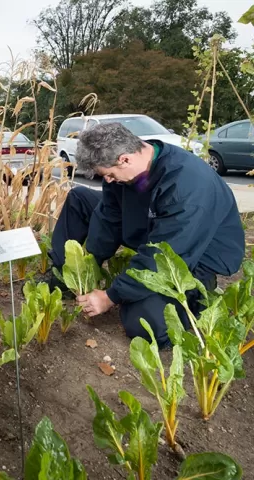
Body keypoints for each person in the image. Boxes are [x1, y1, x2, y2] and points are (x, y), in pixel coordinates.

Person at [47, 122, 244, 348]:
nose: (108, 180)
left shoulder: (187, 185)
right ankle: (61, 278)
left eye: (109, 175)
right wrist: (86, 268)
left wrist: (110, 296)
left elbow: (164, 255)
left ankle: (196, 298)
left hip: (195, 254)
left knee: (143, 323)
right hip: (153, 224)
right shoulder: (126, 170)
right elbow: (109, 218)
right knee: (80, 198)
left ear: (125, 159)